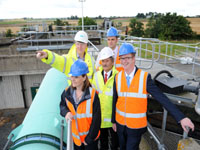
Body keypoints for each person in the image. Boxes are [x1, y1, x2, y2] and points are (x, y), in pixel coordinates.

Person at [111, 43, 195, 150]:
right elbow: (115, 100)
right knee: (122, 147)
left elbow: (162, 98)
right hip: (120, 124)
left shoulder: (144, 77)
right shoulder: (117, 77)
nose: (124, 61)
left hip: (135, 127)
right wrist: (113, 120)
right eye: (122, 58)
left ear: (134, 58)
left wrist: (181, 117)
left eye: (127, 58)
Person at [60, 59, 101, 150]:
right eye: (72, 76)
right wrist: (66, 113)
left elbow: (97, 120)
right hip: (76, 140)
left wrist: (89, 139)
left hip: (90, 140)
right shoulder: (67, 93)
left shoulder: (93, 95)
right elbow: (62, 106)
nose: (72, 79)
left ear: (84, 77)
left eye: (76, 77)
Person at [92, 47, 119, 150]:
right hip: (100, 118)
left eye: (107, 61)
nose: (104, 63)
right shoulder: (96, 76)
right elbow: (93, 96)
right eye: (103, 61)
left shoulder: (117, 76)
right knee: (103, 144)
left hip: (114, 119)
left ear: (112, 62)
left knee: (114, 144)